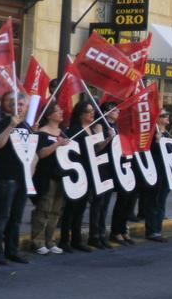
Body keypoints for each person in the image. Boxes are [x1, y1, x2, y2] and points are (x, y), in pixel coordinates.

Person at [0, 90, 30, 264]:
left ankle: (12, 250)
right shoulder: (4, 121)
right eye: (15, 104)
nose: (18, 108)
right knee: (1, 218)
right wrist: (10, 126)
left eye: (21, 104)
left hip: (22, 178)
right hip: (6, 178)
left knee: (16, 218)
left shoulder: (27, 125)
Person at [58, 101, 100, 253]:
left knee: (81, 207)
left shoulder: (92, 129)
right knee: (71, 207)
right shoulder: (74, 130)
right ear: (81, 114)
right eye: (89, 111)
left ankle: (77, 239)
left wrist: (107, 139)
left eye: (92, 111)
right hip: (77, 172)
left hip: (89, 171)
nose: (92, 113)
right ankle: (64, 239)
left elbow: (97, 149)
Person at [29, 100, 70, 255]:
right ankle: (37, 240)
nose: (61, 113)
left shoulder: (63, 131)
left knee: (56, 210)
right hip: (46, 175)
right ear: (49, 115)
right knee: (44, 208)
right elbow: (41, 153)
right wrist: (56, 145)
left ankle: (50, 240)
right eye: (57, 110)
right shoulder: (42, 133)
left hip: (61, 174)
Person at [106, 105, 138, 247]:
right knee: (121, 200)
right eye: (114, 110)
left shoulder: (121, 128)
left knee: (128, 200)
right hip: (115, 167)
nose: (118, 112)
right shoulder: (105, 126)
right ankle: (116, 231)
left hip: (127, 165)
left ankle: (123, 229)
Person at [86, 104, 117, 249]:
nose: (118, 112)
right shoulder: (99, 126)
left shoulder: (115, 126)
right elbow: (98, 147)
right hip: (101, 166)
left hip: (111, 166)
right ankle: (94, 235)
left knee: (105, 203)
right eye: (115, 110)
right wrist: (109, 138)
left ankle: (102, 233)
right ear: (106, 112)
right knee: (98, 203)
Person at [142, 110, 172, 243]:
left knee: (161, 202)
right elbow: (149, 152)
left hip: (166, 172)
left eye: (167, 115)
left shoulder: (168, 134)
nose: (167, 117)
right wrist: (156, 141)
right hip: (156, 171)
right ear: (158, 119)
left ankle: (158, 229)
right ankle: (151, 230)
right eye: (164, 115)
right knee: (153, 202)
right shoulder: (153, 134)